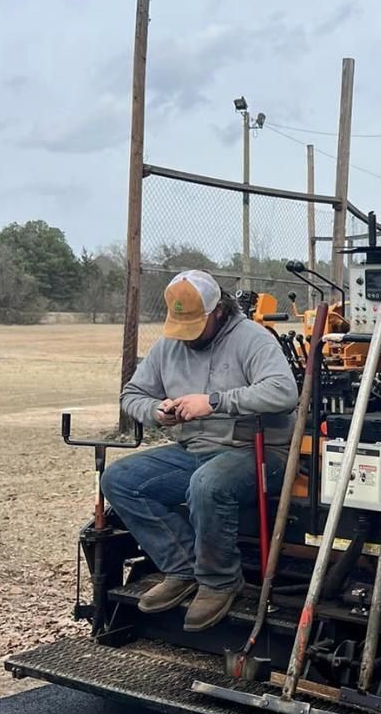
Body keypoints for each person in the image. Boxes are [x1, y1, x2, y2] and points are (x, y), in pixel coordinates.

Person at [101, 269, 299, 631]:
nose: (186, 337)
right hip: (194, 448)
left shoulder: (253, 339)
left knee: (207, 483)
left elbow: (284, 393)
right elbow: (132, 394)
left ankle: (221, 580)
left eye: (195, 325)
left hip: (259, 452)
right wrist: (155, 410)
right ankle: (182, 566)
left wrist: (214, 402)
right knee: (120, 479)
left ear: (219, 311)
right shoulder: (169, 345)